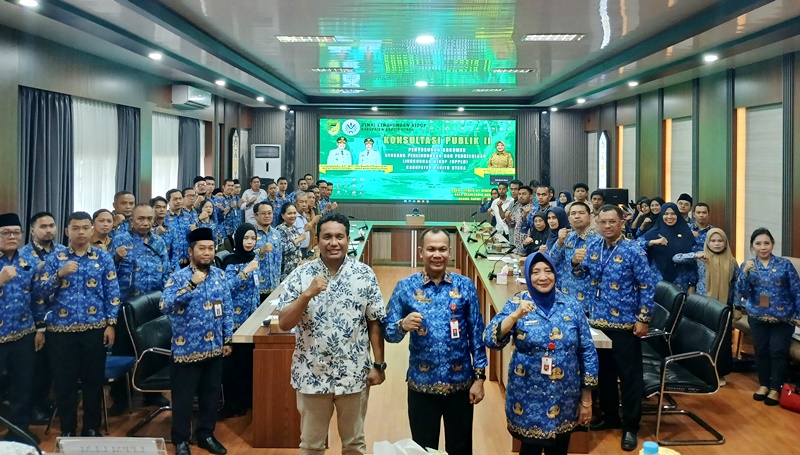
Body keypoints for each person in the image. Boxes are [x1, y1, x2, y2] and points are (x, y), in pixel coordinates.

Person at [277, 212, 386, 455]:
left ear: (348, 239)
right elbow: (284, 322)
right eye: (327, 237)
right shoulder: (301, 275)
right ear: (317, 240)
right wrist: (306, 295)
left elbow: (374, 322)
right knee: (311, 446)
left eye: (339, 237)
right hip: (312, 375)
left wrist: (379, 365)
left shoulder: (364, 274)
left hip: (354, 374)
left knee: (354, 444)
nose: (333, 243)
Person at [383, 228, 487, 454]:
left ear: (450, 252)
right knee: (423, 449)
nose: (437, 255)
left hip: (460, 383)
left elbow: (476, 333)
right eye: (431, 249)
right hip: (422, 384)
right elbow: (388, 333)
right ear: (421, 252)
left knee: (460, 449)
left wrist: (480, 378)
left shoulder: (465, 286)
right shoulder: (406, 287)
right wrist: (402, 325)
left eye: (442, 249)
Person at [484, 252, 598, 455]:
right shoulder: (517, 303)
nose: (543, 277)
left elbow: (587, 352)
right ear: (528, 276)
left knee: (560, 450)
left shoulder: (571, 306)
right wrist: (515, 315)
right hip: (527, 398)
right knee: (529, 450)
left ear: (555, 274)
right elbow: (491, 339)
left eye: (548, 271)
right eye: (535, 272)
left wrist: (586, 400)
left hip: (564, 397)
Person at [574, 205, 657, 452]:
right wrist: (575, 263)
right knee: (604, 375)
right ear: (597, 224)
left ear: (622, 223)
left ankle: (630, 426)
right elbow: (582, 276)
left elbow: (647, 285)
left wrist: (644, 318)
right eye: (603, 222)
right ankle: (610, 416)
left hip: (625, 324)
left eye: (612, 222)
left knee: (629, 378)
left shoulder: (633, 250)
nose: (607, 226)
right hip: (597, 321)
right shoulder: (593, 246)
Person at [36, 211, 121, 438]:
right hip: (61, 331)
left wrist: (111, 324)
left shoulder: (103, 258)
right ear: (67, 231)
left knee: (94, 381)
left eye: (85, 228)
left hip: (95, 328)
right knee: (65, 383)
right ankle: (68, 428)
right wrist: (59, 275)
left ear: (91, 230)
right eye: (75, 228)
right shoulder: (55, 258)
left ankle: (91, 427)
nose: (81, 232)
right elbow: (40, 293)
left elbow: (112, 292)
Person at [160, 228, 233, 455]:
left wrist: (227, 339)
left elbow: (227, 309)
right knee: (183, 399)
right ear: (191, 251)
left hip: (214, 348)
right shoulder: (178, 277)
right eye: (202, 249)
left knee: (210, 396)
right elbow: (165, 305)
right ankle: (181, 440)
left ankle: (206, 435)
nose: (207, 253)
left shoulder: (220, 275)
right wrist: (191, 285)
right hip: (186, 349)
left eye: (211, 248)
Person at [735, 228, 800, 406]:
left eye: (766, 243)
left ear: (772, 245)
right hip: (757, 317)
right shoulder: (748, 265)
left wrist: (799, 314)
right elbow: (742, 292)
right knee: (761, 350)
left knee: (778, 351)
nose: (762, 247)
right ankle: (763, 385)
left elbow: (796, 290)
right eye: (758, 244)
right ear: (752, 246)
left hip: (782, 318)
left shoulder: (784, 264)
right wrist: (744, 273)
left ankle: (775, 388)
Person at [673, 228, 738, 382]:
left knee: (722, 342)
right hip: (704, 305)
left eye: (720, 241)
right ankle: (701, 372)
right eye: (713, 241)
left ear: (725, 243)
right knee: (703, 340)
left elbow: (736, 285)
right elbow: (676, 258)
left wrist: (737, 307)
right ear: (707, 242)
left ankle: (719, 373)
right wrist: (694, 255)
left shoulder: (732, 261)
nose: (717, 244)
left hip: (723, 307)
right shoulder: (701, 258)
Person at [0, 213, 44, 444]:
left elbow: (37, 299)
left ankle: (19, 431)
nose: (12, 236)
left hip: (24, 334)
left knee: (23, 386)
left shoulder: (28, 261)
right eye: (5, 233)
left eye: (16, 233)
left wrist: (40, 329)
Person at [20, 212, 66, 424]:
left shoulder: (63, 252)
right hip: (33, 319)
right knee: (35, 367)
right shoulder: (23, 256)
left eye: (51, 225)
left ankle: (47, 401)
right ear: (32, 230)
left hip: (59, 317)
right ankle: (34, 406)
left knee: (51, 364)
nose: (48, 230)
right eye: (43, 226)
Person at [220, 224, 260, 418]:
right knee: (235, 366)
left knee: (248, 363)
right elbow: (225, 288)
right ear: (238, 239)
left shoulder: (253, 258)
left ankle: (247, 399)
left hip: (251, 320)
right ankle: (233, 403)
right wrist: (245, 271)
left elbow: (254, 289)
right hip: (234, 322)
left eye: (253, 238)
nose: (249, 242)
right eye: (246, 238)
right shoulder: (231, 261)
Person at [110, 204, 170, 301]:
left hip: (155, 298)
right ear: (131, 221)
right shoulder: (120, 240)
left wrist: (165, 296)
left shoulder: (158, 241)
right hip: (128, 300)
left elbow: (166, 271)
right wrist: (117, 259)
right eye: (141, 219)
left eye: (149, 219)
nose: (146, 223)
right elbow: (109, 272)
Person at [549, 201, 598, 313]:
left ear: (590, 217)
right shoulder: (568, 237)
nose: (577, 216)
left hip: (587, 303)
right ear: (569, 219)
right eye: (573, 213)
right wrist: (559, 242)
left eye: (581, 213)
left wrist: (576, 263)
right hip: (566, 298)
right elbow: (553, 260)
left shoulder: (598, 241)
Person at [640, 202, 695, 291]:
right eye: (666, 214)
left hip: (681, 279)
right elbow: (636, 246)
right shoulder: (653, 233)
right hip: (657, 278)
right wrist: (652, 242)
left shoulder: (686, 233)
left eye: (673, 214)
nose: (669, 217)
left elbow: (693, 259)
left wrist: (692, 284)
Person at [252, 202, 282, 299]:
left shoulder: (277, 234)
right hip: (257, 288)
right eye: (263, 213)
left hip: (275, 284)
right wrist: (260, 251)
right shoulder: (250, 233)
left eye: (269, 213)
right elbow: (244, 256)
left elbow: (280, 258)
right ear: (256, 216)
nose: (267, 216)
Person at [164, 189, 198, 270]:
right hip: (172, 262)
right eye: (175, 199)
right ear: (168, 202)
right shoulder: (165, 218)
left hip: (189, 261)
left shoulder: (189, 216)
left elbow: (194, 238)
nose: (178, 201)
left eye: (180, 198)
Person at [276, 203, 306, 280]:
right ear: (283, 215)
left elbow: (298, 248)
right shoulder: (279, 230)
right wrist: (298, 239)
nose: (293, 216)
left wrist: (300, 259)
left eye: (294, 213)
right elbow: (283, 249)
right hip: (285, 270)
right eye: (289, 213)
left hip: (296, 268)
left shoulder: (294, 228)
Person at [508, 185, 534, 251]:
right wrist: (507, 217)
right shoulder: (519, 210)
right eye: (519, 194)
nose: (521, 196)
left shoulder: (533, 211)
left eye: (524, 194)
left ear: (530, 196)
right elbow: (511, 225)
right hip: (517, 248)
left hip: (528, 248)